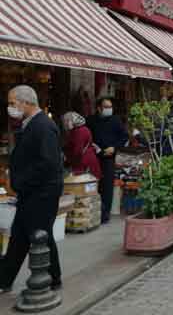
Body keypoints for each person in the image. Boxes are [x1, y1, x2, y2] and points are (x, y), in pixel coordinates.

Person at [0, 86, 64, 294]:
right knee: (21, 236)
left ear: (25, 102)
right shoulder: (31, 124)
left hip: (41, 194)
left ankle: (53, 279)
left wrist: (20, 181)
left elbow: (48, 164)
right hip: (32, 193)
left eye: (12, 103)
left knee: (39, 236)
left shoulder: (43, 126)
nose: (10, 107)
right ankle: (5, 280)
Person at [87, 97, 128, 224]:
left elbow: (124, 137)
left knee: (107, 187)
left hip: (109, 159)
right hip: (94, 158)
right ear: (99, 108)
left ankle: (104, 216)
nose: (109, 109)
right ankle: (92, 214)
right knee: (93, 186)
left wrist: (114, 148)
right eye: (106, 107)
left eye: (110, 107)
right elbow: (87, 137)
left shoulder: (115, 120)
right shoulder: (91, 121)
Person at [62, 111, 102, 180]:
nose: (64, 123)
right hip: (85, 162)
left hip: (84, 164)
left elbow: (77, 151)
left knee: (84, 188)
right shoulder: (80, 130)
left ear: (71, 121)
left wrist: (67, 161)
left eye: (66, 121)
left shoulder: (79, 131)